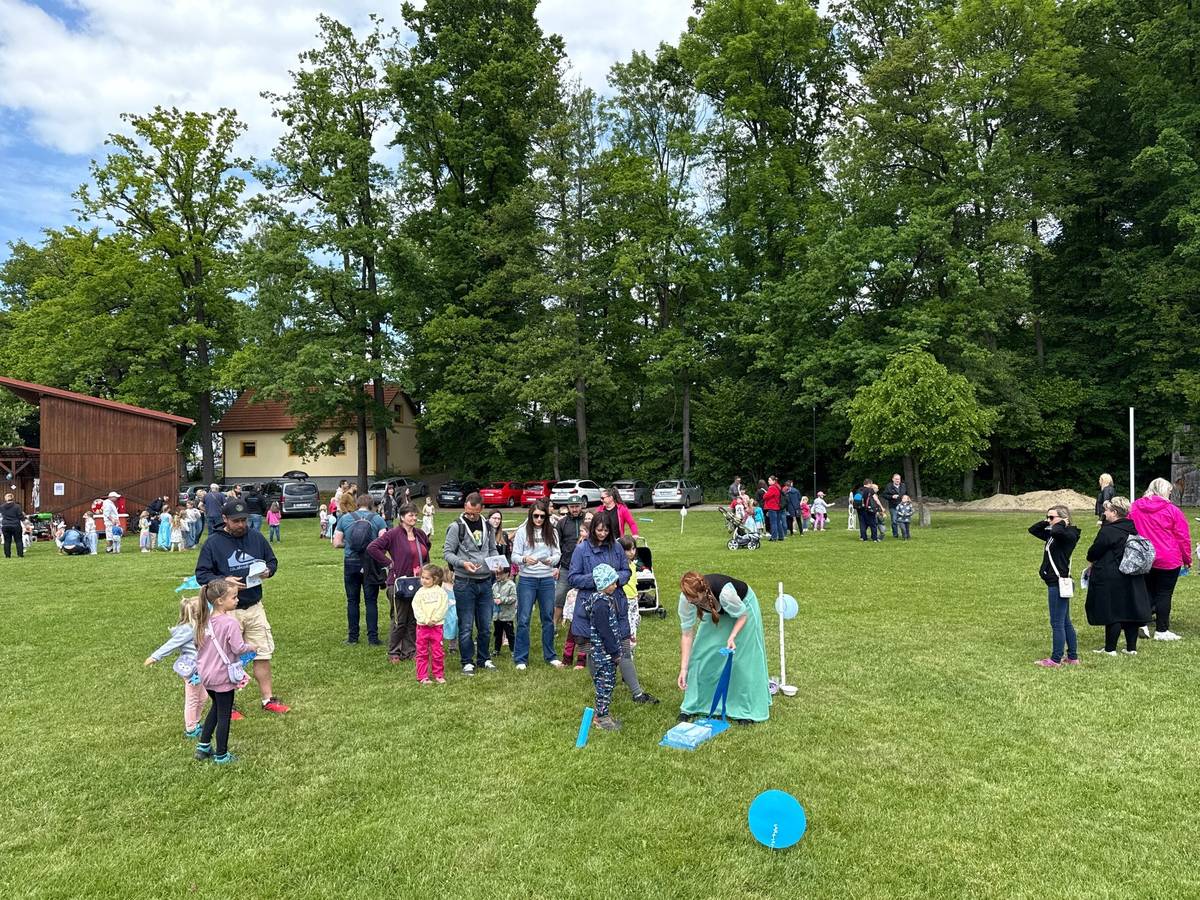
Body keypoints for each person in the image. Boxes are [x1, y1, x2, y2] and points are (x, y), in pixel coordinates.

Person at [195, 497, 288, 714]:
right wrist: (223, 580)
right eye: (236, 521)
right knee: (226, 658)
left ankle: (268, 700)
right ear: (225, 519)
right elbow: (202, 574)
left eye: (243, 520)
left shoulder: (255, 537)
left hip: (254, 606)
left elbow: (272, 560)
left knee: (262, 652)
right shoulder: (213, 543)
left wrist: (269, 571)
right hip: (227, 613)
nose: (241, 525)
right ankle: (228, 706)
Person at [677, 572, 771, 723]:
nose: (690, 602)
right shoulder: (687, 599)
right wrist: (684, 669)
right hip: (716, 609)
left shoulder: (726, 593)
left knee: (742, 658)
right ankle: (696, 705)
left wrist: (732, 636)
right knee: (702, 654)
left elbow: (742, 615)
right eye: (689, 599)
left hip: (743, 608)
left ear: (702, 592)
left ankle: (745, 710)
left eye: (694, 600)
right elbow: (687, 634)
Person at [193, 578, 259, 765]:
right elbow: (238, 648)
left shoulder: (203, 621)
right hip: (222, 675)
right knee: (224, 714)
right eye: (233, 597)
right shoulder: (229, 623)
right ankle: (221, 755)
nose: (237, 600)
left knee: (216, 707)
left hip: (206, 675)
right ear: (220, 601)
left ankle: (203, 746)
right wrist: (251, 646)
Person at [443, 492, 502, 675]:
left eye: (474, 513)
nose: (470, 516)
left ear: (481, 509)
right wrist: (462, 563)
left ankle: (484, 658)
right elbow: (447, 553)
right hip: (464, 582)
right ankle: (467, 661)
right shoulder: (456, 527)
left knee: (485, 625)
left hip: (485, 582)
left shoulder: (487, 525)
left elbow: (492, 549)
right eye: (468, 512)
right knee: (466, 625)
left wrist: (496, 563)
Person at [1084, 496, 1151, 656]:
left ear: (1114, 512)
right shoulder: (1132, 528)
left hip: (1112, 574)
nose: (1104, 513)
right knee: (1130, 610)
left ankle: (1110, 648)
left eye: (1106, 510)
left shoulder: (1108, 531)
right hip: (1132, 573)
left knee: (1113, 612)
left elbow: (1094, 552)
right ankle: (1131, 648)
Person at [1128, 477, 1191, 641]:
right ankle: (1162, 630)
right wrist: (1187, 558)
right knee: (1164, 593)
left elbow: (1128, 528)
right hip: (1167, 557)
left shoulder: (1135, 507)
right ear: (1165, 491)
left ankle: (1141, 622)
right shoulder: (1172, 510)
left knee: (1146, 591)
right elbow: (1182, 536)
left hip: (1143, 556)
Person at [567, 511, 630, 672]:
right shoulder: (581, 549)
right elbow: (573, 578)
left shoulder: (616, 547)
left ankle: (632, 686)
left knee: (624, 647)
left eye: (606, 530)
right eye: (599, 530)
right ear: (593, 528)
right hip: (591, 605)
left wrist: (613, 579)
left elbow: (626, 571)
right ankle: (601, 683)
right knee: (594, 651)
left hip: (616, 602)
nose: (603, 534)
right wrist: (598, 580)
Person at [367, 502, 430, 663]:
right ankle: (394, 651)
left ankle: (410, 651)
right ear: (402, 517)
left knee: (413, 618)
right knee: (399, 619)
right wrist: (389, 563)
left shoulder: (420, 534)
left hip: (417, 582)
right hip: (398, 583)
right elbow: (373, 548)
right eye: (410, 515)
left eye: (416, 515)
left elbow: (425, 551)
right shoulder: (393, 534)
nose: (414, 518)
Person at [144, 594, 209, 738]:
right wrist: (155, 656)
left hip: (203, 668)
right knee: (192, 698)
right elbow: (171, 644)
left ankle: (196, 722)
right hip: (192, 670)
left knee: (203, 696)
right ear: (198, 613)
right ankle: (191, 728)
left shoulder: (204, 624)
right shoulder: (188, 630)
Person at [511, 499, 563, 670]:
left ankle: (550, 656)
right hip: (527, 579)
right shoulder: (522, 532)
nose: (539, 519)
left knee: (547, 618)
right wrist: (525, 559)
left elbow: (557, 553)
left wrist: (551, 560)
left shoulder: (552, 532)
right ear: (531, 515)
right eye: (536, 516)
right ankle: (520, 658)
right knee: (524, 618)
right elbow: (514, 556)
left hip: (547, 579)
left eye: (542, 516)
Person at [1028, 505, 1082, 667]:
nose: (1049, 521)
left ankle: (1055, 659)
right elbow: (1033, 530)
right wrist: (1048, 520)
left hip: (1058, 582)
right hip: (1058, 581)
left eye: (1052, 517)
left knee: (1057, 623)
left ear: (1064, 518)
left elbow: (1058, 532)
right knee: (1065, 621)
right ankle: (1072, 657)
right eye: (1048, 517)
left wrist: (1061, 524)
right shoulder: (1054, 534)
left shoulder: (1068, 534)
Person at [334, 493, 388, 646]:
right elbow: (384, 542)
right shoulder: (377, 519)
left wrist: (350, 545)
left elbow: (336, 542)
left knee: (352, 600)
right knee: (371, 601)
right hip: (370, 563)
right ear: (371, 505)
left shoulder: (345, 518)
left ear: (357, 504)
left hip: (351, 562)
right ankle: (373, 638)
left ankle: (353, 637)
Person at [586, 563, 626, 732]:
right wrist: (615, 653)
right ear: (603, 585)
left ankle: (602, 714)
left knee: (606, 684)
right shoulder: (601, 605)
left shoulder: (603, 600)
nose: (615, 586)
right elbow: (605, 632)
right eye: (612, 583)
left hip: (605, 653)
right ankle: (601, 718)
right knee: (605, 685)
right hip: (605, 654)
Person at [413, 563, 450, 684]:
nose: (424, 580)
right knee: (422, 652)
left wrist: (435, 619)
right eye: (422, 577)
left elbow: (443, 607)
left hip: (436, 626)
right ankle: (422, 676)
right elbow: (416, 607)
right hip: (422, 627)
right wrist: (425, 620)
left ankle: (438, 674)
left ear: (435, 579)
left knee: (437, 651)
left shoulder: (441, 593)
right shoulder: (419, 593)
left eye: (427, 578)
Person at [553, 498, 586, 631]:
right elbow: (556, 546)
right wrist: (556, 567)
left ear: (581, 506)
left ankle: (584, 625)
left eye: (577, 506)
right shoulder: (561, 523)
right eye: (572, 506)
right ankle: (553, 625)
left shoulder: (588, 520)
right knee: (559, 596)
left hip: (585, 567)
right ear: (568, 507)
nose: (575, 509)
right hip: (567, 566)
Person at [492, 567, 517, 656]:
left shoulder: (511, 585)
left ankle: (513, 650)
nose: (497, 576)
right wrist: (493, 600)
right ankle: (496, 650)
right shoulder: (494, 585)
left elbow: (513, 598)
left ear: (507, 574)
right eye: (496, 574)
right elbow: (492, 596)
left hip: (507, 615)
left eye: (500, 574)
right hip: (497, 615)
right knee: (497, 633)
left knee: (510, 634)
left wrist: (502, 600)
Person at [882, 473, 906, 539]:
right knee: (894, 521)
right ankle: (895, 535)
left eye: (899, 479)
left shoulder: (903, 485)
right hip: (893, 506)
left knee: (904, 521)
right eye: (896, 479)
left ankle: (905, 534)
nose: (898, 480)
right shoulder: (889, 486)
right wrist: (892, 496)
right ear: (893, 479)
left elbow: (905, 494)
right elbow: (884, 495)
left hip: (902, 506)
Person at [762, 476, 784, 542]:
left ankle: (774, 537)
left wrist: (765, 494)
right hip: (778, 506)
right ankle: (781, 536)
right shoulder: (778, 486)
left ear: (773, 481)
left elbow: (765, 496)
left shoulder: (772, 487)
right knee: (778, 522)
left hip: (772, 507)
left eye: (769, 480)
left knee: (773, 523)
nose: (768, 481)